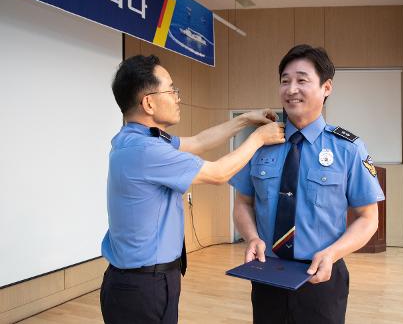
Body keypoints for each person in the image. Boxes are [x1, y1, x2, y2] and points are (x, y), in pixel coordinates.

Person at [99, 54, 285, 324]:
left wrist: (245, 120)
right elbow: (219, 173)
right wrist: (258, 138)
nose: (177, 97)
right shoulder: (145, 150)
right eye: (171, 89)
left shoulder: (137, 138)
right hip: (142, 287)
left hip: (147, 280)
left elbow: (198, 141)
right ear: (148, 102)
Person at [230, 44, 385, 324]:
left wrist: (333, 253)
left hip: (321, 277)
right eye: (285, 81)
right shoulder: (260, 142)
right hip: (268, 274)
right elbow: (243, 202)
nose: (291, 89)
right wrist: (252, 237)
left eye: (302, 80)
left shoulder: (348, 148)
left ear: (326, 87)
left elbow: (368, 218)